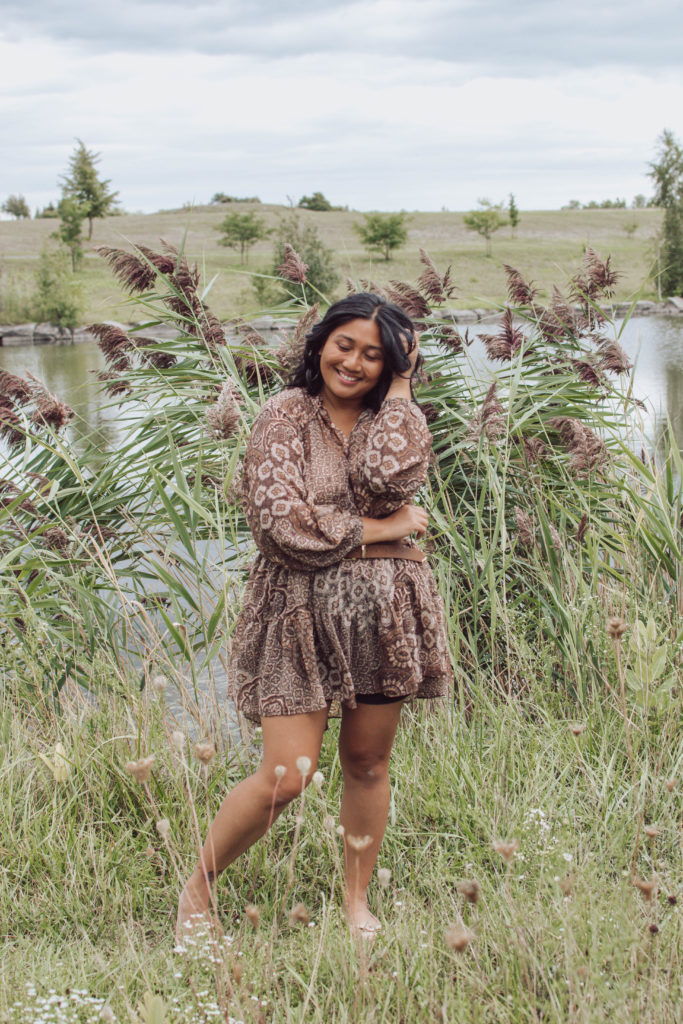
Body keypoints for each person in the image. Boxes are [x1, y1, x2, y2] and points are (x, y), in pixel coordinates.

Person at [176, 292, 451, 941]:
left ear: (392, 364)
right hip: (294, 613)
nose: (353, 363)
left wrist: (405, 388)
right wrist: (385, 530)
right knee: (287, 774)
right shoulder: (286, 415)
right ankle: (196, 890)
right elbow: (281, 526)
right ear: (320, 342)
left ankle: (356, 906)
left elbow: (391, 479)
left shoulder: (394, 417)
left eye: (375, 355)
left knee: (367, 764)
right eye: (344, 345)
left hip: (385, 617)